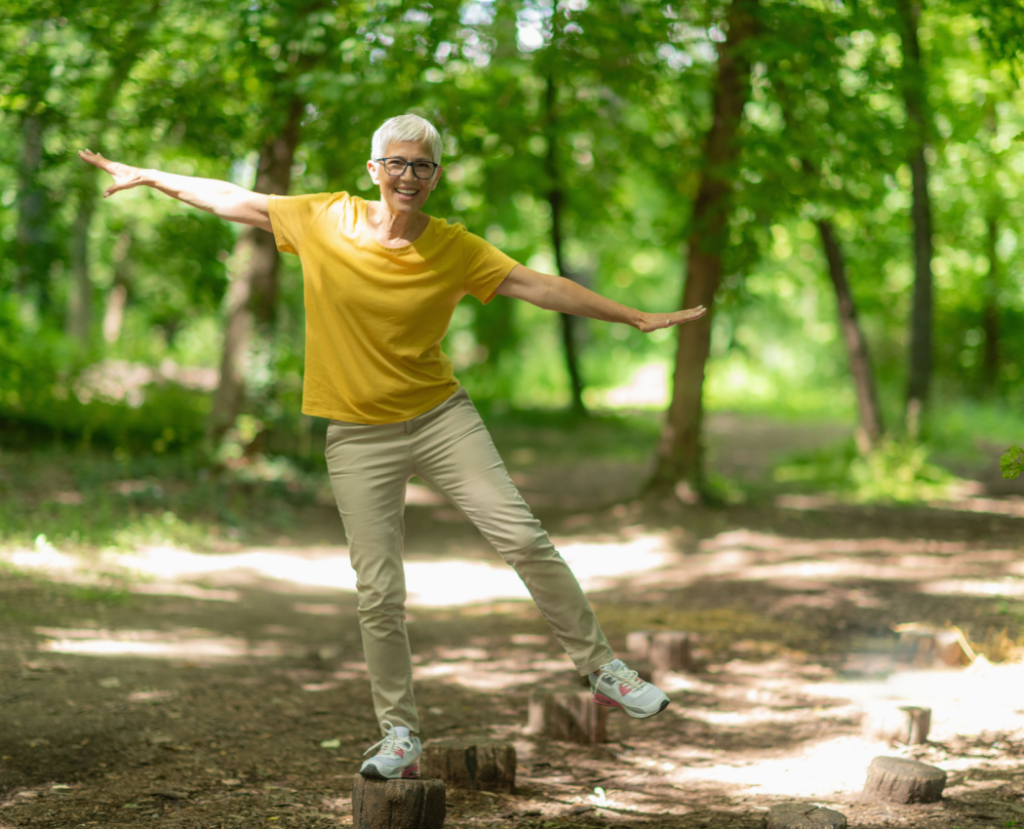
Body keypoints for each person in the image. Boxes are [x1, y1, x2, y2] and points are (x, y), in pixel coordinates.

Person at [79, 113, 706, 781]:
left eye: (423, 165)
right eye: (398, 163)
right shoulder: (326, 219)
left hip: (441, 417)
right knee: (379, 591)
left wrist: (633, 314)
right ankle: (399, 732)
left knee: (524, 538)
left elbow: (537, 286)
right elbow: (235, 198)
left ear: (436, 178)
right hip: (356, 433)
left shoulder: (456, 248)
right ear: (375, 170)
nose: (409, 175)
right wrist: (150, 177)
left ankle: (602, 667)